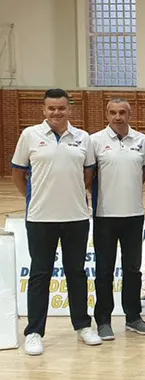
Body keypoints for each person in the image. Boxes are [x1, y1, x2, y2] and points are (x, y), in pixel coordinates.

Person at [11, 88, 101, 355]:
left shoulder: (82, 138)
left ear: (69, 109)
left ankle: (83, 326)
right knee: (40, 274)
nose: (56, 112)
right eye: (51, 108)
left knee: (76, 273)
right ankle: (34, 332)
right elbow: (18, 173)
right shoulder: (30, 135)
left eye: (61, 108)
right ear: (43, 109)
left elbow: (88, 174)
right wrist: (34, 197)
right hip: (40, 218)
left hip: (76, 218)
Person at [90, 97, 145, 340]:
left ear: (130, 113)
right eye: (113, 112)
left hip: (134, 215)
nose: (118, 117)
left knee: (133, 269)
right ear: (107, 114)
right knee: (104, 269)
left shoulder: (140, 141)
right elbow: (89, 176)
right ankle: (104, 320)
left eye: (122, 112)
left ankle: (133, 317)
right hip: (105, 215)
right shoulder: (94, 141)